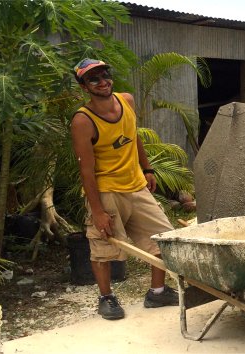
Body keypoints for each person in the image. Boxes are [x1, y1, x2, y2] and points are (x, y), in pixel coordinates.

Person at [70, 58, 179, 320]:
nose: (103, 81)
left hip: (136, 186)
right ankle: (106, 297)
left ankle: (157, 292)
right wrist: (97, 211)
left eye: (105, 74)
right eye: (93, 79)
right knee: (104, 247)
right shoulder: (83, 121)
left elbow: (133, 135)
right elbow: (86, 170)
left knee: (163, 237)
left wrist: (148, 168)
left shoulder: (126, 100)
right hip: (107, 191)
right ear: (85, 87)